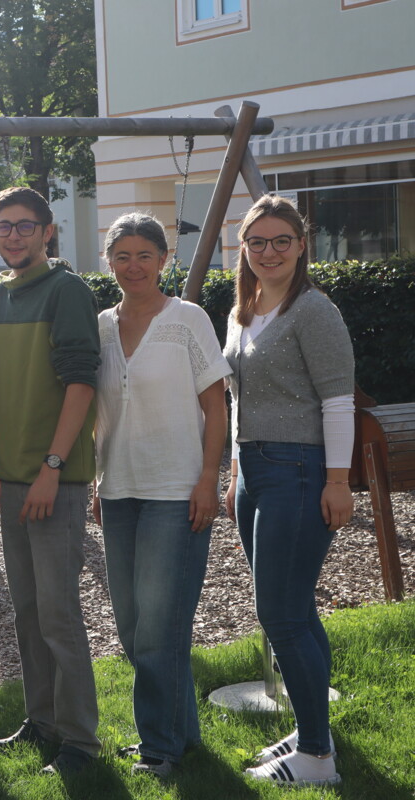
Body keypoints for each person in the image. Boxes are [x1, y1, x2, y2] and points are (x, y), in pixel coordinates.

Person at [92, 213, 230, 778]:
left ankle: (161, 749)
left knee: (161, 627)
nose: (133, 266)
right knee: (131, 625)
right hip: (119, 491)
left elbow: (216, 406)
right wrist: (101, 482)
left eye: (144, 255)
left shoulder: (187, 319)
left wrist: (208, 479)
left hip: (177, 491)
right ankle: (180, 731)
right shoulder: (100, 326)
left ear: (164, 259)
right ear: (110, 264)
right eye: (121, 256)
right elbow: (100, 411)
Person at [224, 194, 353, 788]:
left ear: (302, 245)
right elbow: (235, 401)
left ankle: (318, 761)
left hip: (300, 471)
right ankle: (311, 733)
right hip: (254, 470)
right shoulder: (243, 309)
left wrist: (337, 480)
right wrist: (233, 472)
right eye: (257, 242)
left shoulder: (314, 311)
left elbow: (338, 401)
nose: (268, 252)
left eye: (280, 241)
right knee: (295, 610)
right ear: (243, 248)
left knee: (280, 615)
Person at [0, 186, 101, 776]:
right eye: (4, 226)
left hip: (56, 478)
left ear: (48, 232)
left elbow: (82, 384)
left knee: (58, 612)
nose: (13, 236)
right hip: (11, 479)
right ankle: (42, 720)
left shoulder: (67, 291)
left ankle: (80, 740)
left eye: (25, 226)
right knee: (26, 609)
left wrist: (53, 469)